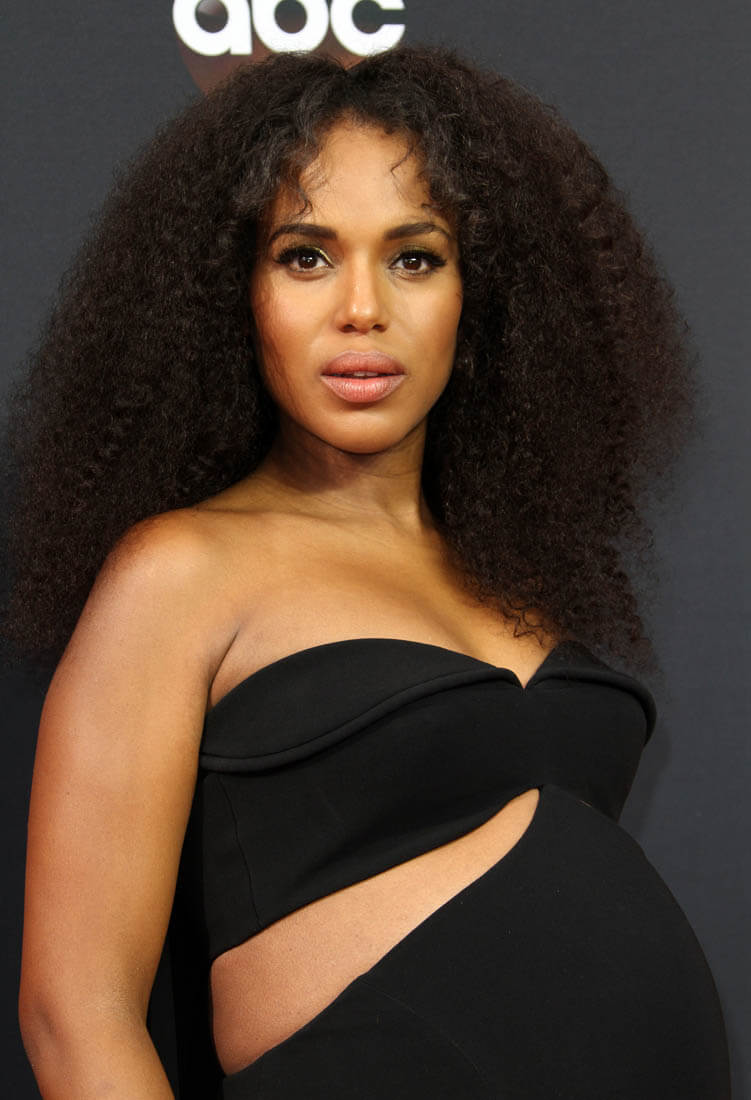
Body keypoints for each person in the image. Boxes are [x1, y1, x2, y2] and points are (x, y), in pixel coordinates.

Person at [7, 45, 731, 1099]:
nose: (362, 308)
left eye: (414, 257)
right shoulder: (180, 571)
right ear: (235, 292)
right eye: (306, 255)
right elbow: (75, 1012)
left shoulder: (518, 579)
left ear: (477, 298)